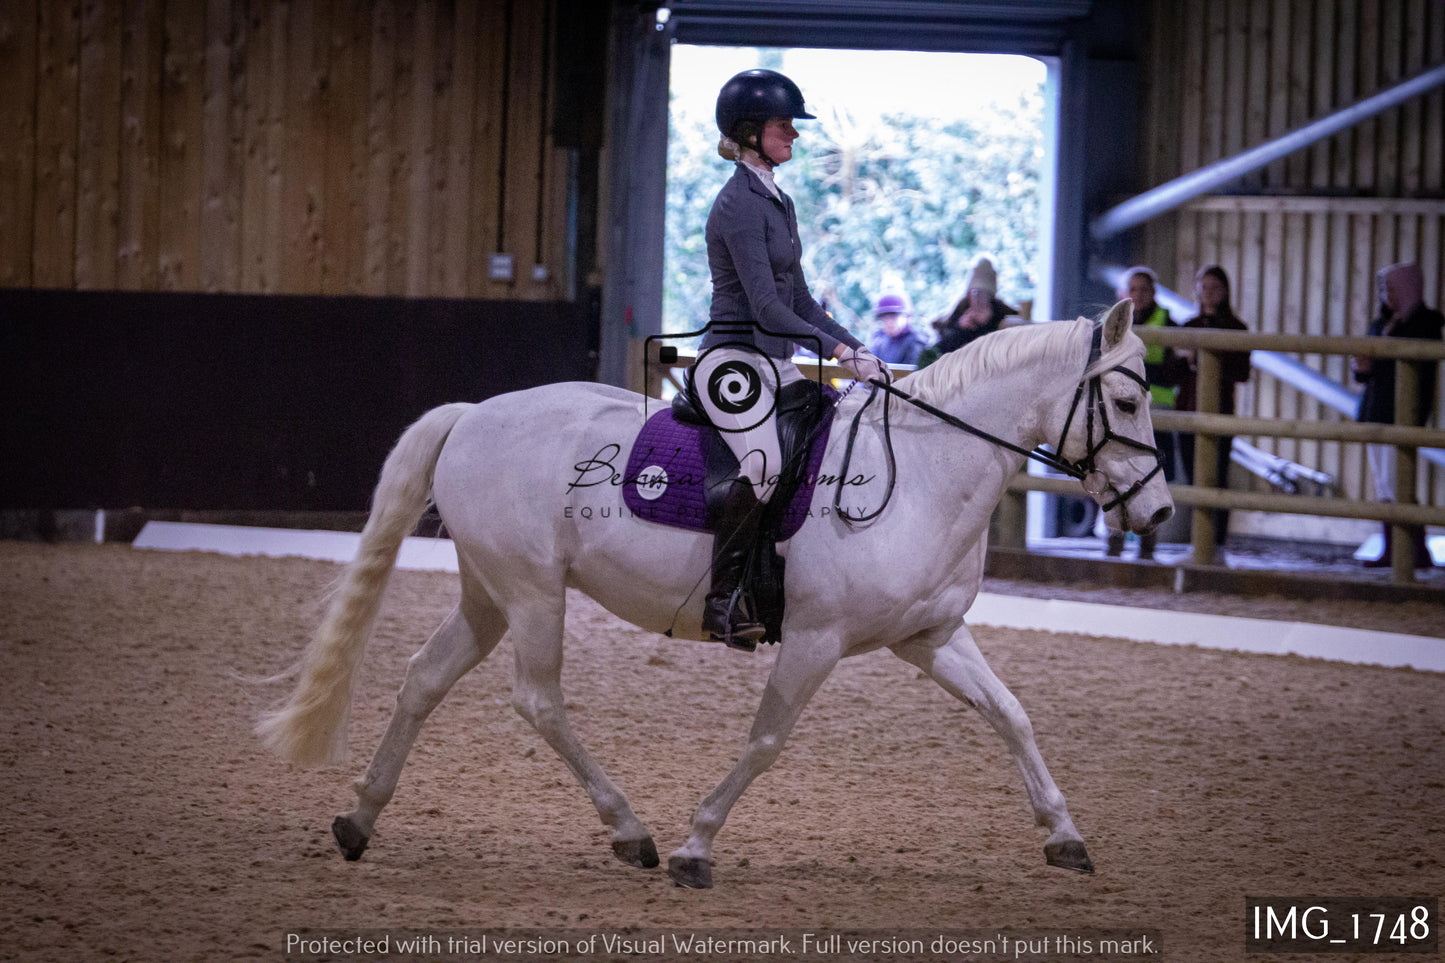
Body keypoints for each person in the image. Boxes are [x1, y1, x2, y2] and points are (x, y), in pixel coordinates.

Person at [695, 68, 887, 646]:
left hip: (774, 363)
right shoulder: (737, 204)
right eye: (785, 126)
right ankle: (724, 598)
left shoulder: (779, 200)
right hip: (731, 359)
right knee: (763, 462)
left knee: (828, 436)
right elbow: (766, 308)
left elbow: (800, 300)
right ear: (750, 131)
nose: (795, 136)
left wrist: (856, 347)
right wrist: (834, 351)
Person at [1350, 262, 1443, 568]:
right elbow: (1371, 372)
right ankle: (1396, 549)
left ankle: (1413, 551)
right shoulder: (1382, 323)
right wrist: (1362, 368)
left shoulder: (1426, 324)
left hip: (1401, 412)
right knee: (1384, 483)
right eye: (1383, 289)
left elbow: (1414, 367)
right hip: (1376, 409)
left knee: (1396, 481)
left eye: (1391, 288)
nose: (1386, 295)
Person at [1106, 265, 1185, 560]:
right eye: (1132, 289)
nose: (1137, 295)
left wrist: (1132, 372)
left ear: (1153, 293)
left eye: (1143, 289)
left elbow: (1173, 372)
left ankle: (1147, 545)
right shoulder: (1112, 322)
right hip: (1119, 413)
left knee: (1152, 477)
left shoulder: (1169, 324)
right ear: (1123, 293)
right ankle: (1113, 540)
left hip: (1156, 413)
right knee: (1113, 474)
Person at [1177, 265, 1252, 546]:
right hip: (1187, 409)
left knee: (1217, 479)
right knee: (1192, 480)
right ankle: (1197, 541)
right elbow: (1173, 373)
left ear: (1225, 292)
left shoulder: (1238, 329)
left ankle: (1216, 544)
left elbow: (1242, 373)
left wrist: (1211, 360)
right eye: (1204, 287)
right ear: (1196, 290)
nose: (1208, 293)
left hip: (1220, 410)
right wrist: (1185, 359)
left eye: (1214, 288)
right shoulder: (1187, 327)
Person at [915, 256, 1017, 367]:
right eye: (975, 292)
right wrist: (960, 328)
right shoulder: (958, 312)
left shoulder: (1004, 315)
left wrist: (988, 324)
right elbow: (941, 349)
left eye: (983, 293)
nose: (978, 298)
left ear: (990, 296)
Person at [867, 290, 926, 366]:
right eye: (885, 318)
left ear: (907, 317)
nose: (889, 322)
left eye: (893, 316)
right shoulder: (880, 341)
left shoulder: (916, 342)